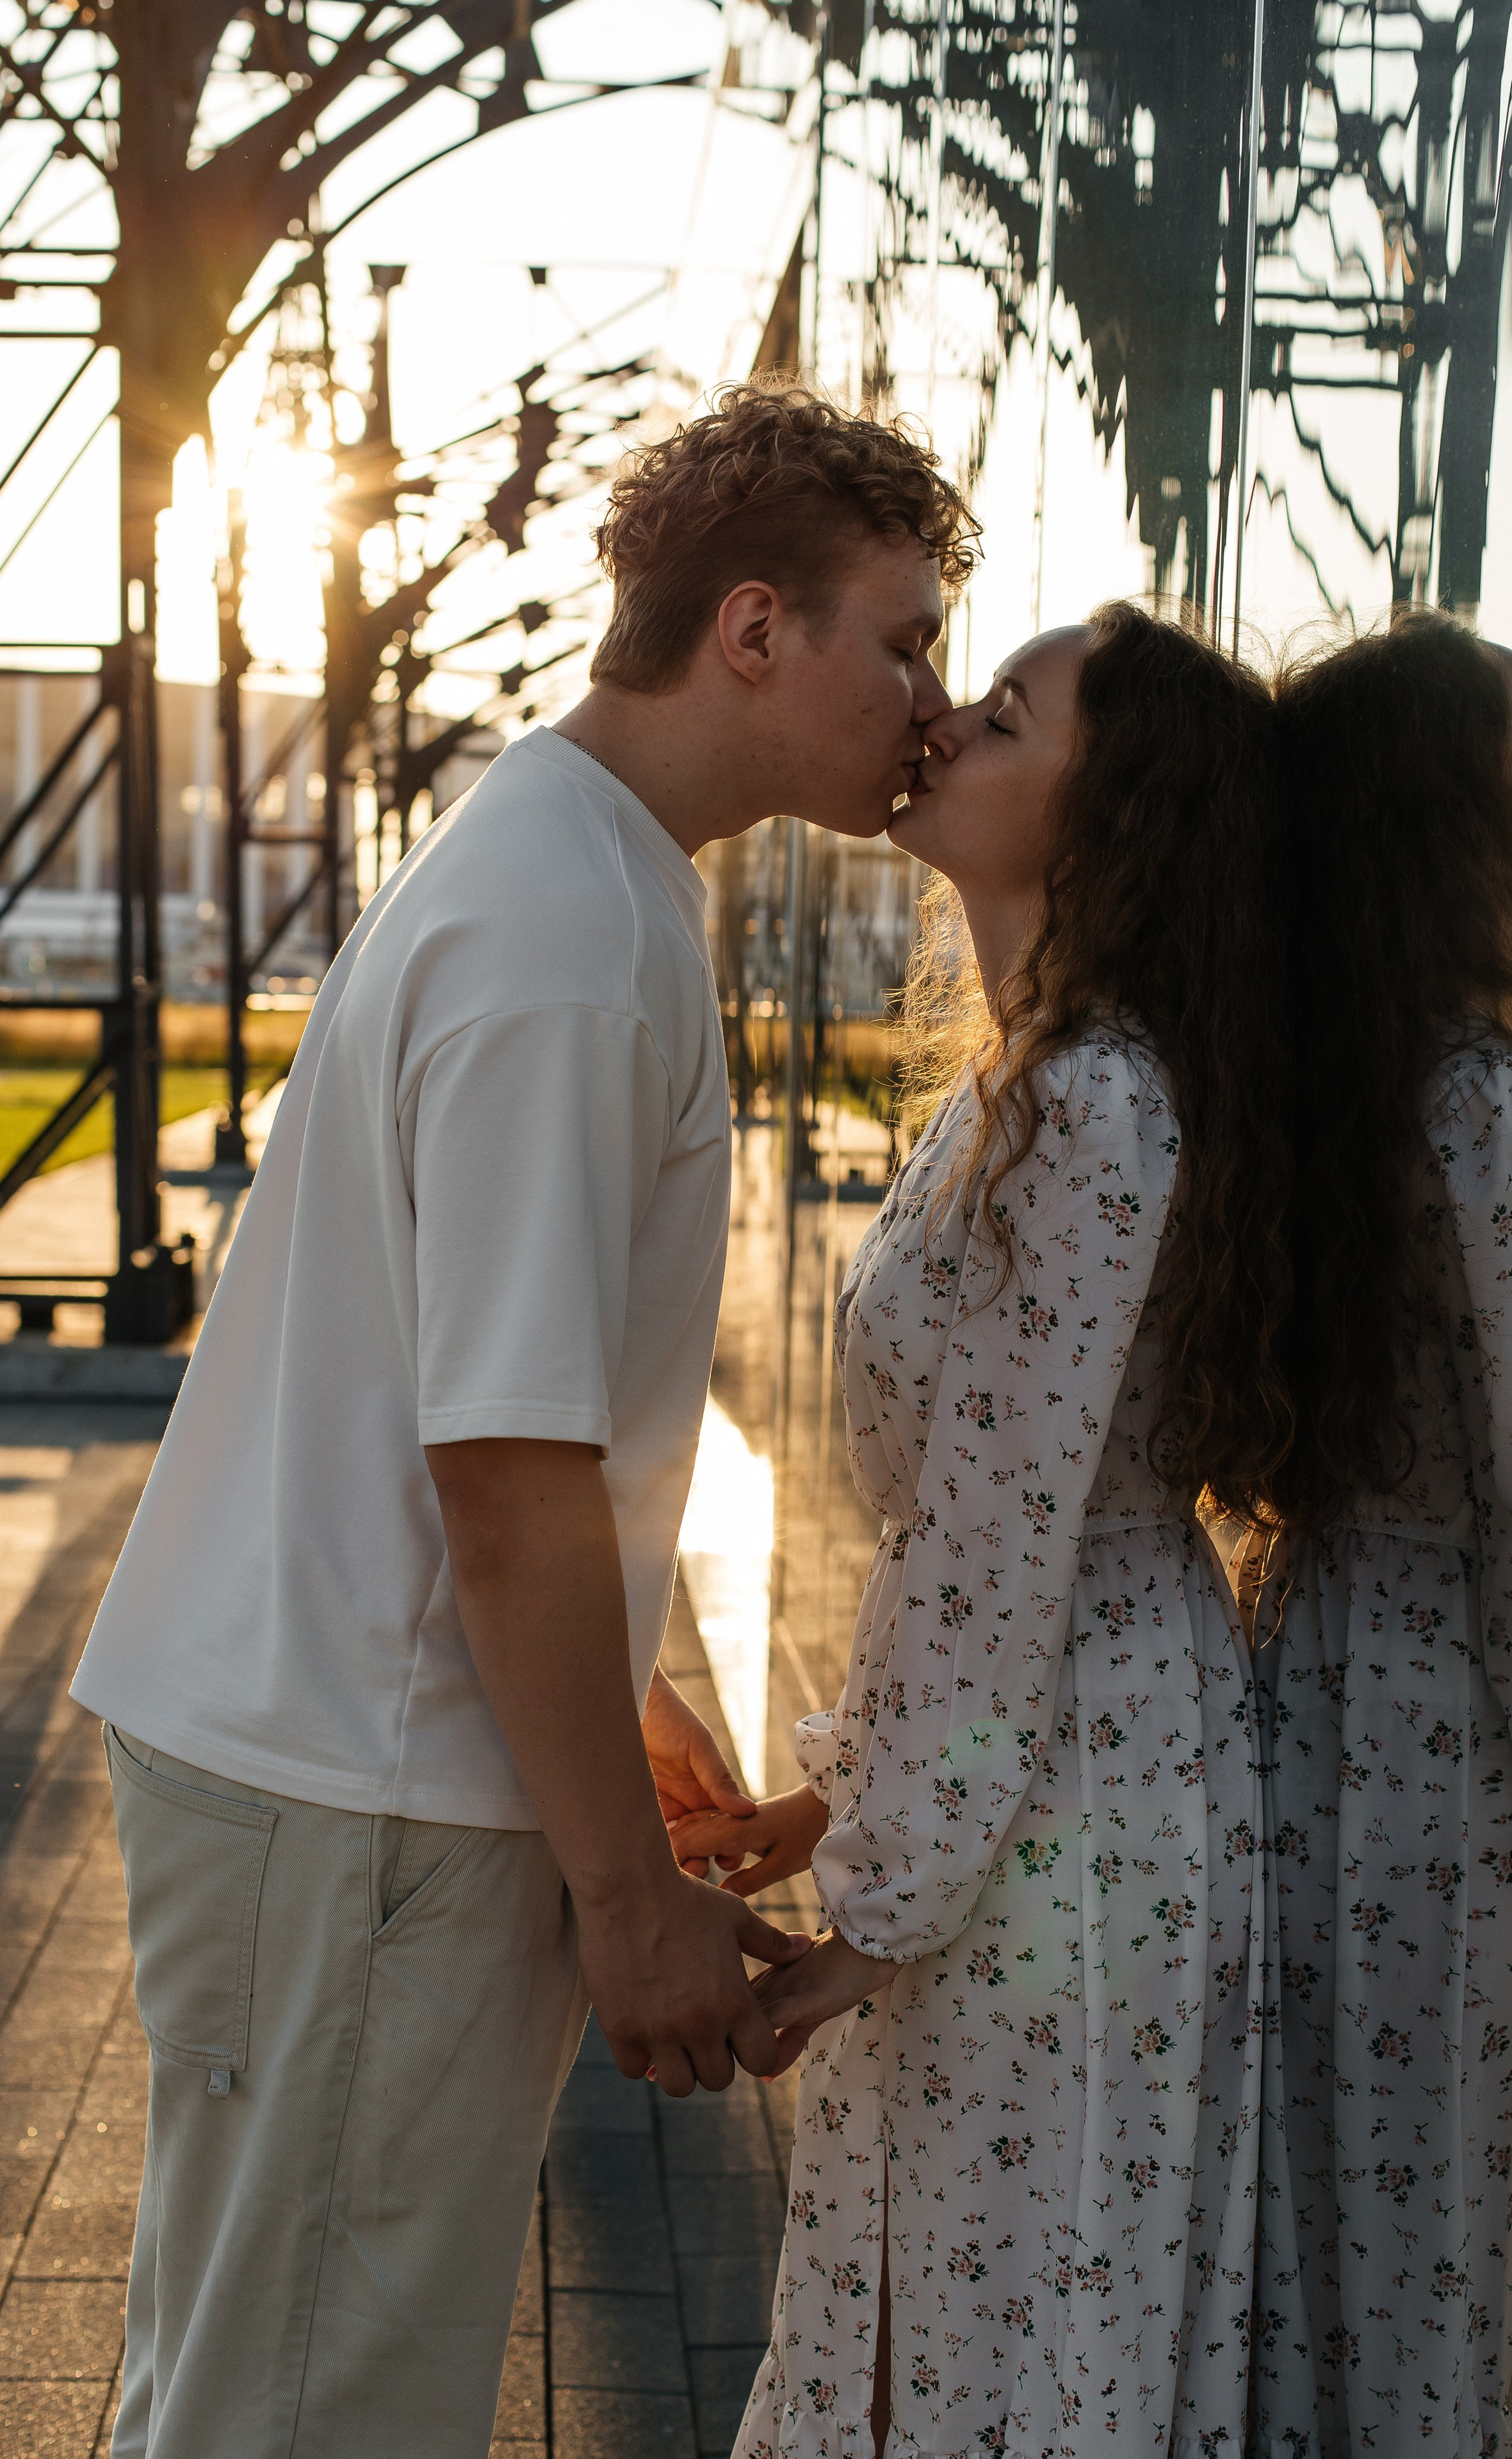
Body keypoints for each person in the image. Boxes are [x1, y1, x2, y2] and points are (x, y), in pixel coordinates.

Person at [67, 382, 975, 2459]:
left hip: (331, 1759)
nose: (927, 699)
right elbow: (498, 1469)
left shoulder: (567, 860)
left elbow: (480, 1413)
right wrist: (626, 1895)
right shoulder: (575, 930)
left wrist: (627, 1683)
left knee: (246, 2378)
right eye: (901, 641)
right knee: (311, 2407)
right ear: (756, 631)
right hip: (363, 1792)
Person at [670, 603, 1294, 2458]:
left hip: (1074, 1816)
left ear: (1113, 822)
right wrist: (834, 1820)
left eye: (1006, 717)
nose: (944, 720)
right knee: (939, 2327)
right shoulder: (1033, 1086)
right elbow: (975, 1543)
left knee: (985, 2343)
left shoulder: (1098, 1106)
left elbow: (1005, 1544)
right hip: (1033, 1779)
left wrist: (875, 1908)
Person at [1244, 611, 1512, 2458]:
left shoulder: (1314, 1098)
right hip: (1457, 1737)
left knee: (1340, 2222)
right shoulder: (1480, 1108)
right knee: (1441, 2241)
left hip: (1324, 1693)